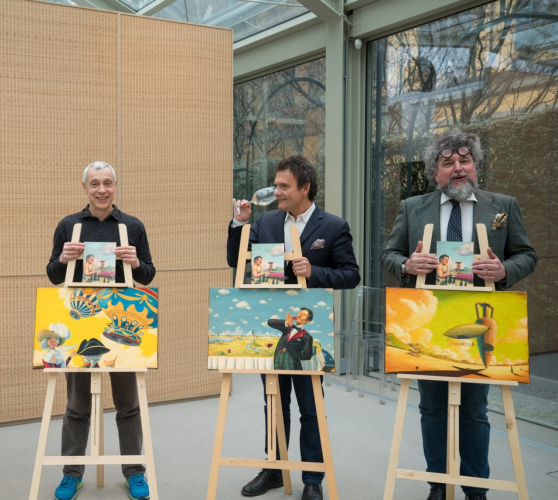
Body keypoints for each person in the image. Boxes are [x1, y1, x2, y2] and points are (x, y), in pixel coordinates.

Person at [380, 129, 538, 500]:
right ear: (435, 172)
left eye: (464, 161)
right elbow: (389, 255)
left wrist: (504, 271)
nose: (457, 169)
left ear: (475, 166)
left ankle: (476, 487)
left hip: (481, 318)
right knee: (431, 407)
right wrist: (407, 263)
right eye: (447, 163)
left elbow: (526, 255)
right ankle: (438, 483)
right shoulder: (411, 207)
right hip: (431, 319)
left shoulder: (502, 206)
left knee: (475, 410)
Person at [228, 155, 360, 500]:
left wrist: (313, 272)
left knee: (310, 405)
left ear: (305, 188)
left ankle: (312, 480)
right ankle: (274, 469)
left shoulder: (333, 226)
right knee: (274, 401)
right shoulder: (267, 220)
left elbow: (351, 275)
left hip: (307, 334)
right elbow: (237, 260)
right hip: (270, 330)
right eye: (276, 185)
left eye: (284, 186)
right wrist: (240, 224)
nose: (277, 192)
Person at [46, 160, 155, 500]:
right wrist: (63, 259)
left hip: (121, 324)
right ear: (85, 188)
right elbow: (52, 275)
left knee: (128, 404)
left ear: (115, 185)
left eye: (108, 182)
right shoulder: (69, 225)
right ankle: (71, 474)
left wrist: (135, 262)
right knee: (77, 405)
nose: (102, 189)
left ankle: (134, 471)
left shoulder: (132, 226)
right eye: (95, 183)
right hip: (81, 325)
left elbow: (148, 275)